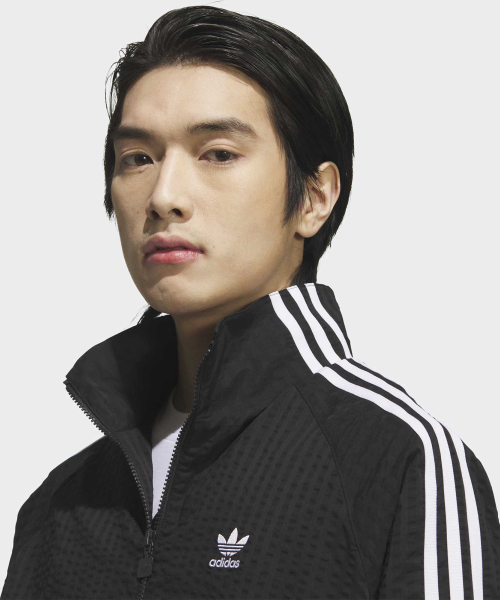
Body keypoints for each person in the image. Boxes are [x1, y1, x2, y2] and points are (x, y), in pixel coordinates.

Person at [2, 5, 499, 600]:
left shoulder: (397, 459)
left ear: (314, 198)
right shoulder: (59, 503)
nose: (163, 196)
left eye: (218, 153)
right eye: (138, 158)